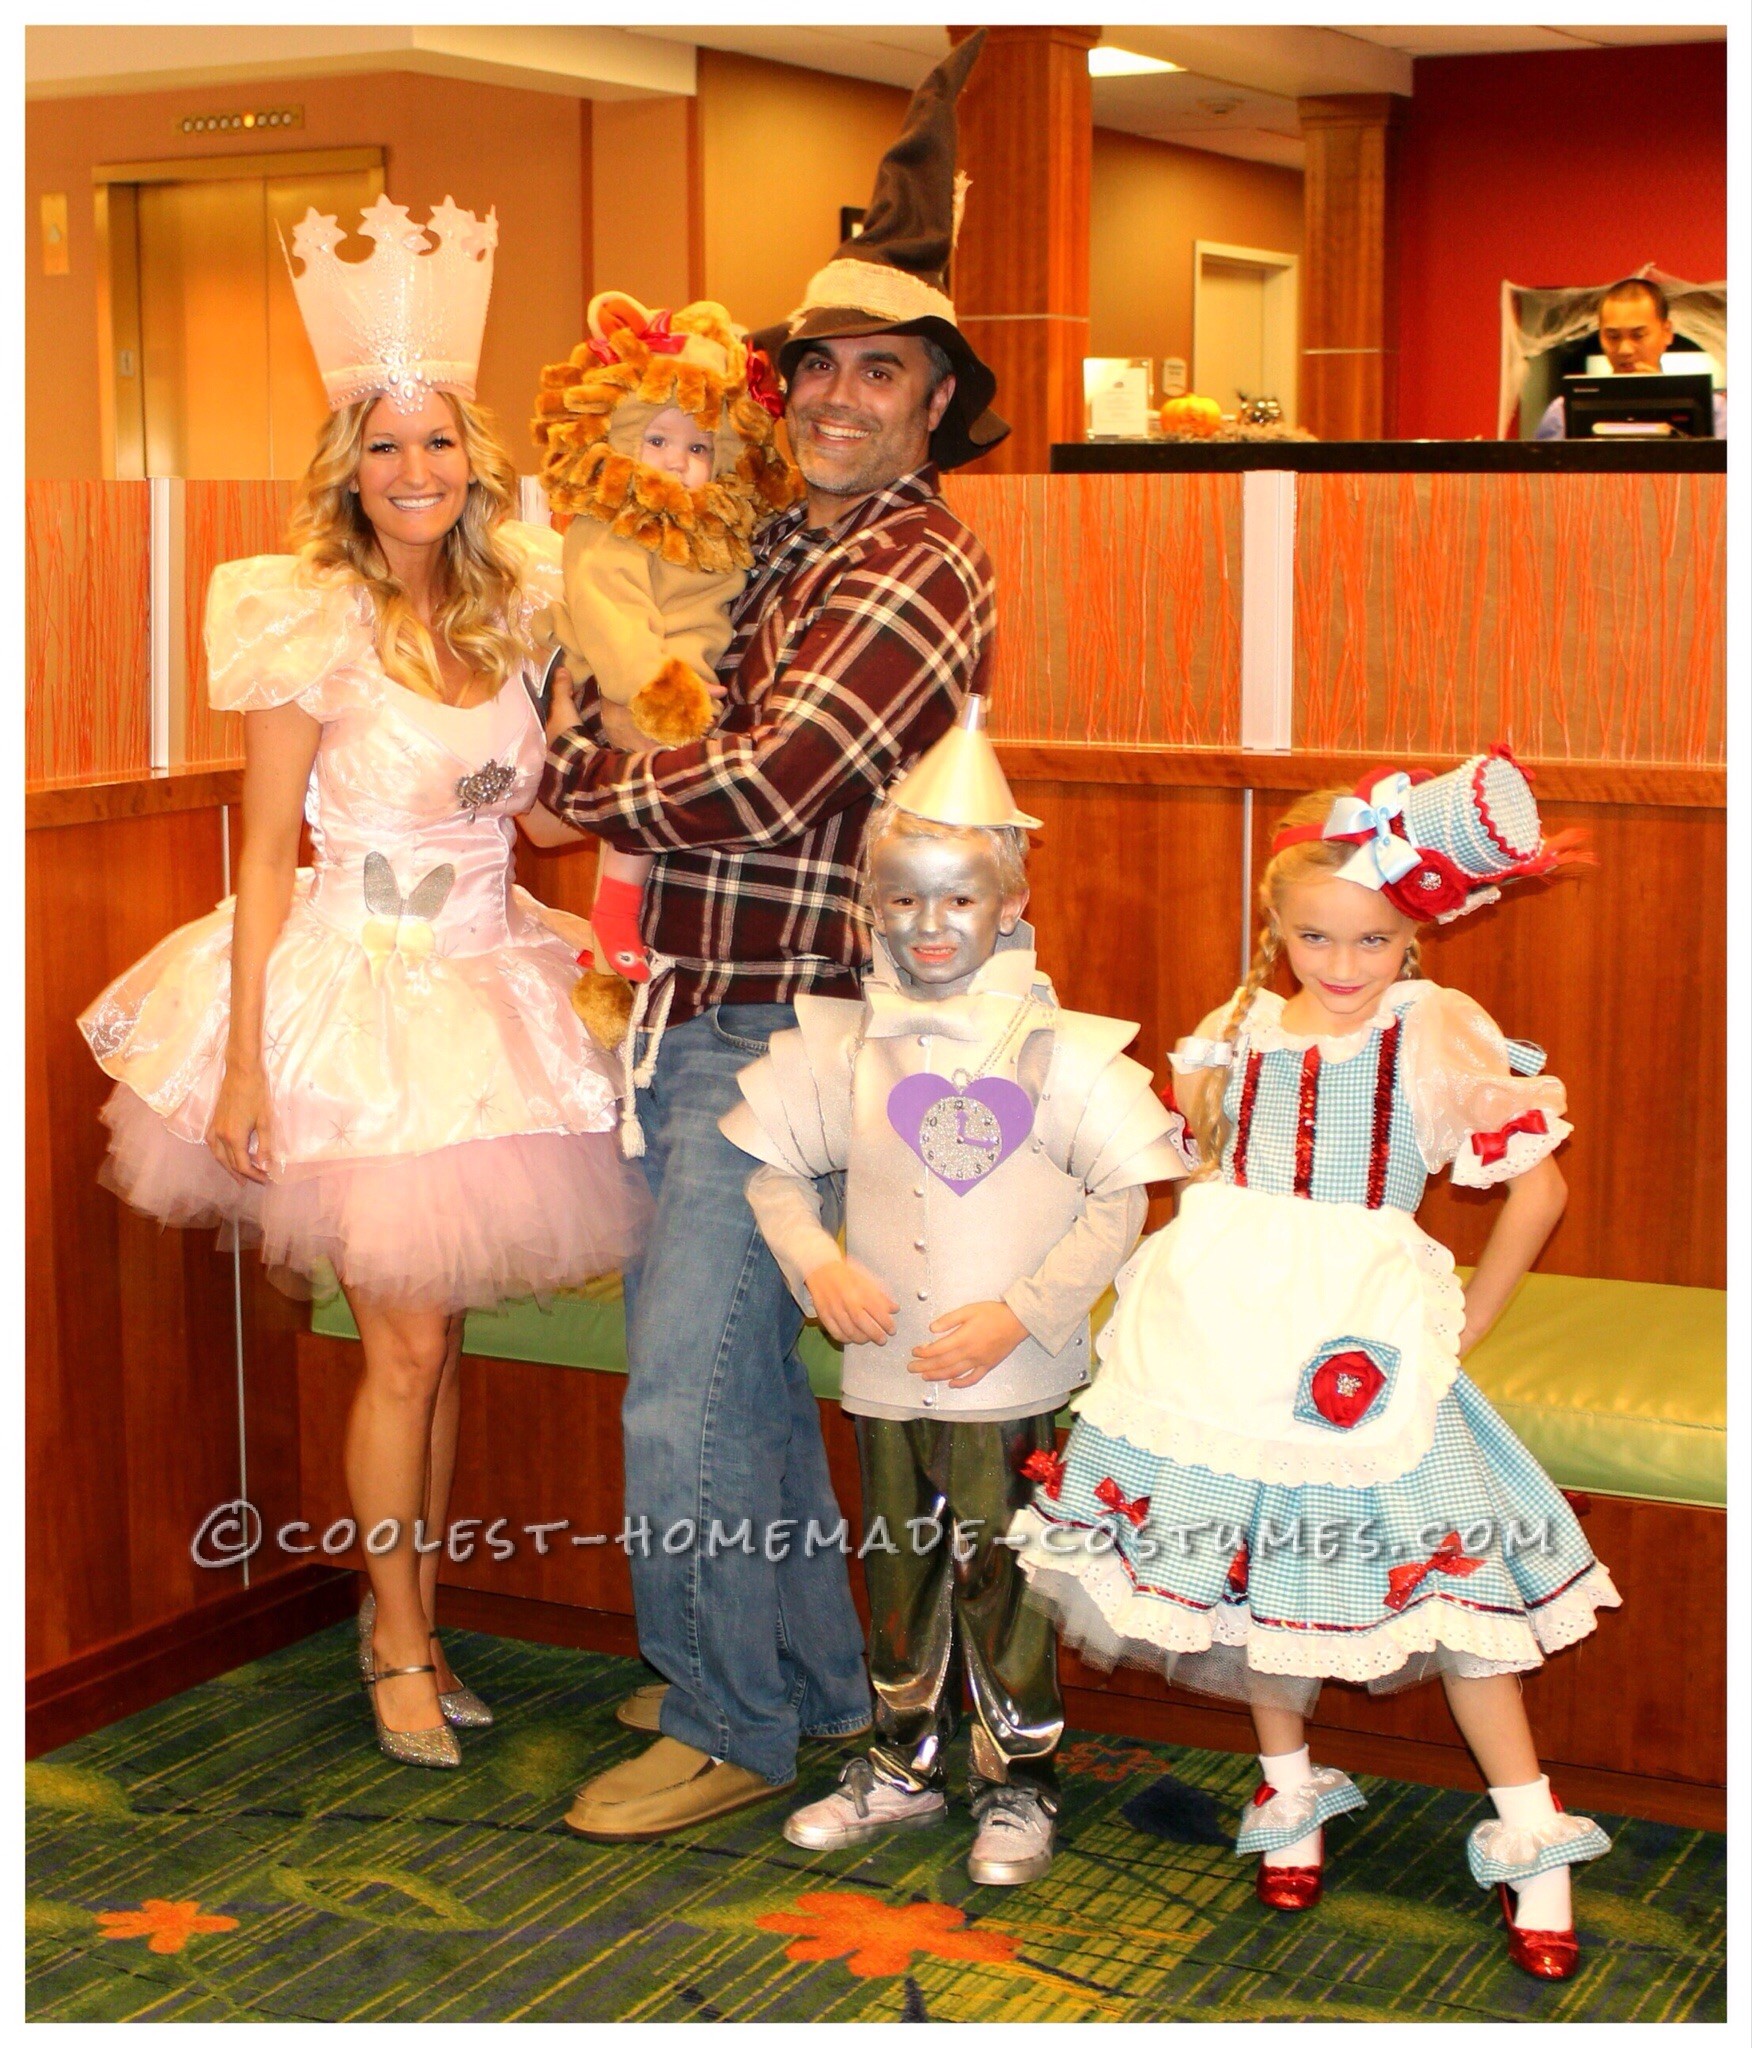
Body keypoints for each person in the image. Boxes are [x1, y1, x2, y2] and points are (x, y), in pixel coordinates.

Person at [78, 196, 649, 1770]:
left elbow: (534, 818)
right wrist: (247, 1059)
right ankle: (396, 1636)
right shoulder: (301, 616)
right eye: (384, 448)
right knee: (402, 1344)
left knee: (437, 1339)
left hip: (486, 985)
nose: (415, 474)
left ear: (476, 460)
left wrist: (641, 756)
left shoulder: (516, 608)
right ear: (349, 463)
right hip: (359, 995)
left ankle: (408, 1616)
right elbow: (265, 850)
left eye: (438, 446)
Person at [539, 34, 1014, 1843]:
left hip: (789, 1033)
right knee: (724, 1390)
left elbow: (771, 775)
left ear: (932, 402)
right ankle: (798, 1679)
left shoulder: (914, 560)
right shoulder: (770, 546)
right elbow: (620, 692)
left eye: (876, 372)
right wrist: (609, 746)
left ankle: (728, 1721)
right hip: (690, 1012)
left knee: (681, 1399)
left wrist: (597, 778)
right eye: (811, 366)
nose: (831, 396)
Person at [1011, 751, 1621, 1981]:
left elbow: (1536, 1188)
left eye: (1375, 941)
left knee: (1458, 1597)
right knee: (1253, 1570)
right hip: (1219, 1327)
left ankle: (1531, 1831)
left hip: (1361, 1337)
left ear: (1415, 939)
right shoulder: (1234, 1025)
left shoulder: (1431, 1031)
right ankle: (1286, 1784)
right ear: (1276, 927)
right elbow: (1197, 1167)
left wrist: (1466, 1319)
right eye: (1316, 938)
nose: (1343, 966)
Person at [720, 714, 1190, 1885]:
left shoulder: (1059, 1053)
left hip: (1011, 1382)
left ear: (1009, 909)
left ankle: (1019, 1781)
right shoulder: (844, 1048)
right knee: (899, 1569)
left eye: (958, 901)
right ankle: (903, 1760)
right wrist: (820, 1264)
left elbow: (1122, 1197)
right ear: (868, 909)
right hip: (886, 1376)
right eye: (902, 902)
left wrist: (1023, 1310)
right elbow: (774, 1170)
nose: (929, 929)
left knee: (1007, 1577)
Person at [530, 291, 800, 1048]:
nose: (680, 462)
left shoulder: (710, 525)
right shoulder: (610, 523)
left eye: (698, 447)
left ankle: (611, 953)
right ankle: (610, 942)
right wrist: (650, 684)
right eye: (657, 441)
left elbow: (719, 609)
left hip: (684, 682)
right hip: (632, 679)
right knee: (639, 808)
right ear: (619, 441)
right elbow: (609, 609)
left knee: (654, 812)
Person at [1534, 276, 1726, 438]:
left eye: (1638, 335)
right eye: (1613, 336)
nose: (1624, 349)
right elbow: (1542, 480)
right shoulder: (1562, 413)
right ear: (1600, 335)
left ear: (1666, 332)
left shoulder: (1714, 411)